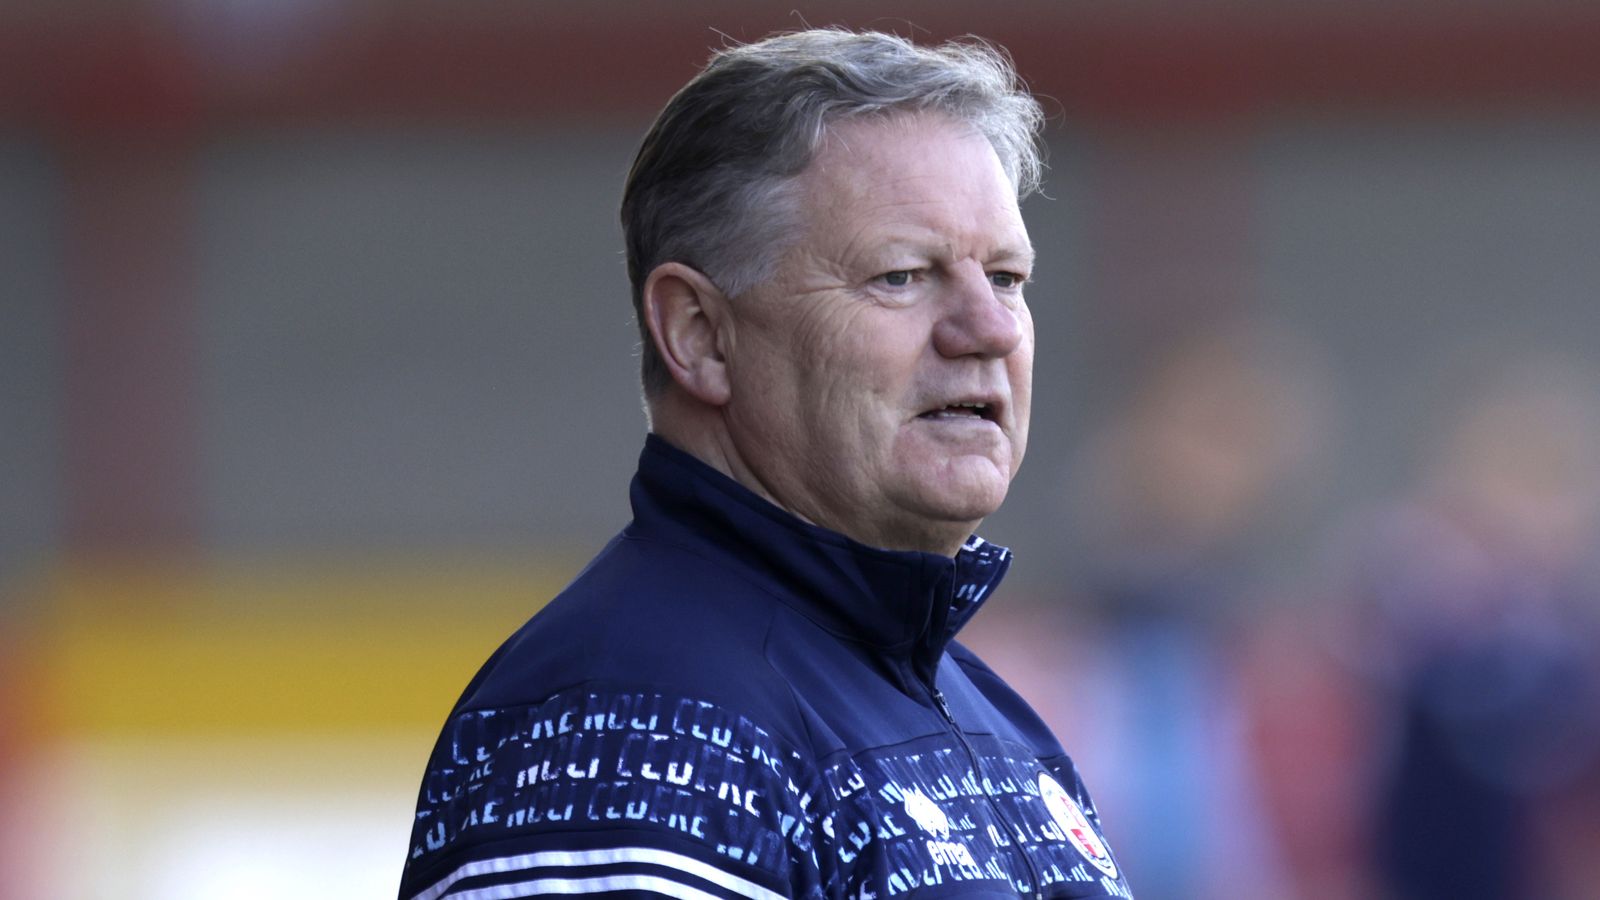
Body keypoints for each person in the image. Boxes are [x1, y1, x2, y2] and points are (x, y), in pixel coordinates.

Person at [398, 28, 1132, 900]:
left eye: (1007, 278)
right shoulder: (633, 731)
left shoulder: (996, 727)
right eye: (902, 275)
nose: (992, 329)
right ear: (700, 335)